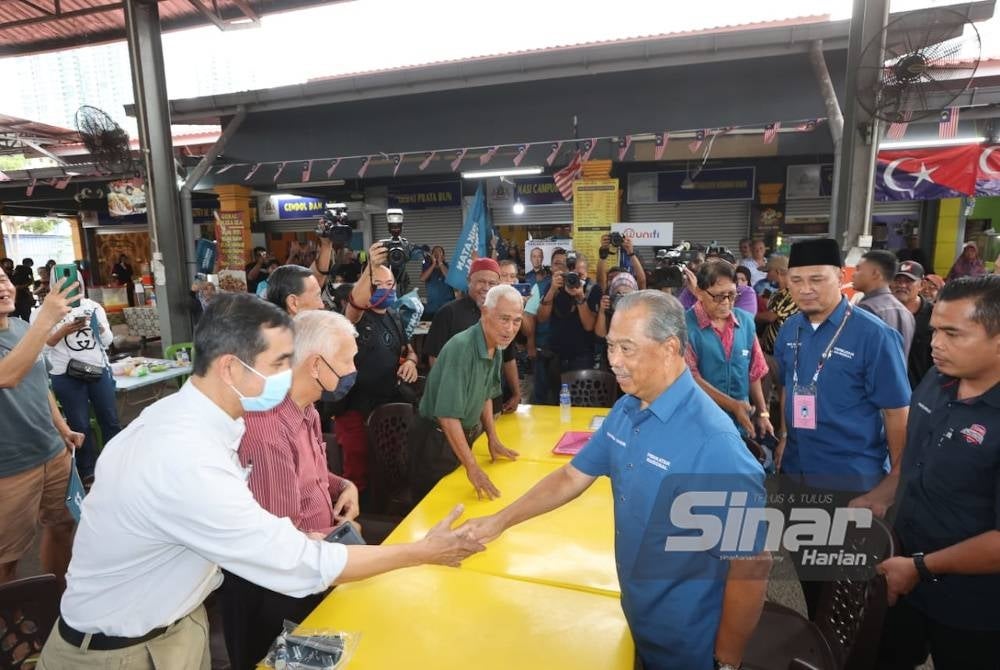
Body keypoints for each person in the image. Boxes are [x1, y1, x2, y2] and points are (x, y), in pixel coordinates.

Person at [38, 293, 484, 669]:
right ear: (231, 369)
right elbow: (296, 562)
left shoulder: (204, 423)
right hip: (121, 652)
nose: (291, 374)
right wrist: (423, 551)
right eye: (280, 363)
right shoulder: (184, 456)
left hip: (176, 623)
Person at [461, 290, 770, 670]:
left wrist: (726, 659)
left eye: (627, 348)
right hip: (638, 616)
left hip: (687, 639)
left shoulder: (715, 445)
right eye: (610, 346)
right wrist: (499, 521)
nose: (614, 361)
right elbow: (571, 476)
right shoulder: (627, 408)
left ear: (670, 348)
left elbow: (752, 563)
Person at [772, 238, 911, 618]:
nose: (805, 289)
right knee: (806, 572)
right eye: (796, 280)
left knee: (847, 589)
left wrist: (894, 483)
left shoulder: (874, 335)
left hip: (850, 482)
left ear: (840, 277)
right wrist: (784, 435)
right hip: (797, 473)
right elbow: (788, 387)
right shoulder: (790, 330)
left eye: (817, 279)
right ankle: (817, 638)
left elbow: (896, 413)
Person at [222, 310, 361, 670]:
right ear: (315, 365)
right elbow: (283, 540)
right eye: (347, 360)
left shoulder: (307, 410)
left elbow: (311, 473)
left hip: (312, 565)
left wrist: (345, 486)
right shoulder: (268, 432)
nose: (352, 370)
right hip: (276, 592)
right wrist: (342, 540)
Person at [875, 276, 1000, 670]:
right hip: (903, 577)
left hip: (976, 607)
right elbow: (915, 458)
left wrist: (921, 567)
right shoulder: (936, 379)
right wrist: (879, 496)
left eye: (952, 333)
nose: (935, 344)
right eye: (934, 331)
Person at [0, 275, 82, 586]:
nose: (3, 287)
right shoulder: (33, 328)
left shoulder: (21, 328)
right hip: (10, 467)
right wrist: (46, 319)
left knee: (63, 525)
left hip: (52, 452)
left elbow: (41, 385)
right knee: (7, 558)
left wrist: (62, 428)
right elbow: (7, 376)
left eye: (4, 280)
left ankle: (59, 596)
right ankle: (11, 615)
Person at [409, 284, 522, 501]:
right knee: (437, 508)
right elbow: (447, 417)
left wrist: (492, 438)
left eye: (516, 321)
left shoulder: (496, 344)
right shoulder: (461, 349)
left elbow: (485, 395)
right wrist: (472, 467)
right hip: (436, 441)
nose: (510, 329)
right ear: (485, 312)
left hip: (461, 437)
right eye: (504, 319)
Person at [334, 244, 419, 492]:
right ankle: (353, 509)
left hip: (387, 404)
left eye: (389, 284)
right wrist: (370, 267)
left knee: (389, 464)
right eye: (377, 284)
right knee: (357, 468)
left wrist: (411, 362)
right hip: (354, 407)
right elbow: (354, 306)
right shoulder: (355, 318)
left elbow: (409, 350)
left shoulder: (394, 315)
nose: (384, 289)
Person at [32, 292, 121, 484]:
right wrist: (62, 332)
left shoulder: (93, 306)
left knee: (110, 419)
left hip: (97, 370)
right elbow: (39, 348)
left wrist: (99, 328)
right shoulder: (42, 312)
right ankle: (86, 470)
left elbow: (107, 341)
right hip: (65, 374)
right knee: (79, 425)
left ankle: (116, 463)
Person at [684, 260, 773, 440]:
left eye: (732, 295)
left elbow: (754, 372)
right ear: (699, 292)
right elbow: (690, 378)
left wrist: (763, 413)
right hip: (701, 424)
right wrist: (733, 405)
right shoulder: (686, 327)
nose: (726, 302)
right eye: (718, 296)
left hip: (741, 424)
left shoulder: (745, 322)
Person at [424, 258, 521, 412]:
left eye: (492, 283)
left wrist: (516, 393)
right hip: (457, 401)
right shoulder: (448, 313)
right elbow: (435, 358)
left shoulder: (503, 313)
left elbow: (508, 358)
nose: (486, 288)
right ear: (469, 281)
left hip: (491, 399)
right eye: (481, 281)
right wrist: (449, 396)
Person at [535, 251, 603, 398]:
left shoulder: (593, 289)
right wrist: (552, 290)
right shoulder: (555, 286)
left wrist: (580, 297)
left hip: (581, 358)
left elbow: (589, 326)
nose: (574, 279)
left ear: (586, 273)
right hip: (555, 356)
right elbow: (541, 318)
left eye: (579, 275)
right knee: (554, 401)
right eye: (571, 274)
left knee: (580, 401)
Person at [853, 249, 915, 359]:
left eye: (858, 269)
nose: (853, 274)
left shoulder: (866, 309)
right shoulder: (906, 312)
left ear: (875, 274)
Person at [890, 261, 934, 389]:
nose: (902, 285)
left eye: (909, 281)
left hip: (921, 389)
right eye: (898, 281)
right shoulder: (882, 313)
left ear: (921, 285)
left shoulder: (934, 315)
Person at [756, 256, 797, 356]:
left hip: (784, 352)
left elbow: (771, 317)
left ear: (778, 272)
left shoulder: (792, 293)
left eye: (768, 272)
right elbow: (770, 324)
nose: (766, 275)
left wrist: (747, 316)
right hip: (770, 350)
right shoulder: (777, 293)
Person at [595, 272, 638, 339]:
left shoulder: (640, 312)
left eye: (626, 294)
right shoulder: (608, 310)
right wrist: (601, 312)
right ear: (612, 295)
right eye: (618, 294)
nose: (622, 298)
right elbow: (600, 336)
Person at [419, 245, 452, 319]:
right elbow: (422, 278)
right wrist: (433, 264)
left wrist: (440, 263)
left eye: (439, 252)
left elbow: (449, 278)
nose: (437, 254)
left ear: (443, 256)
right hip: (432, 308)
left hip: (447, 307)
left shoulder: (448, 266)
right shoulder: (427, 267)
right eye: (435, 252)